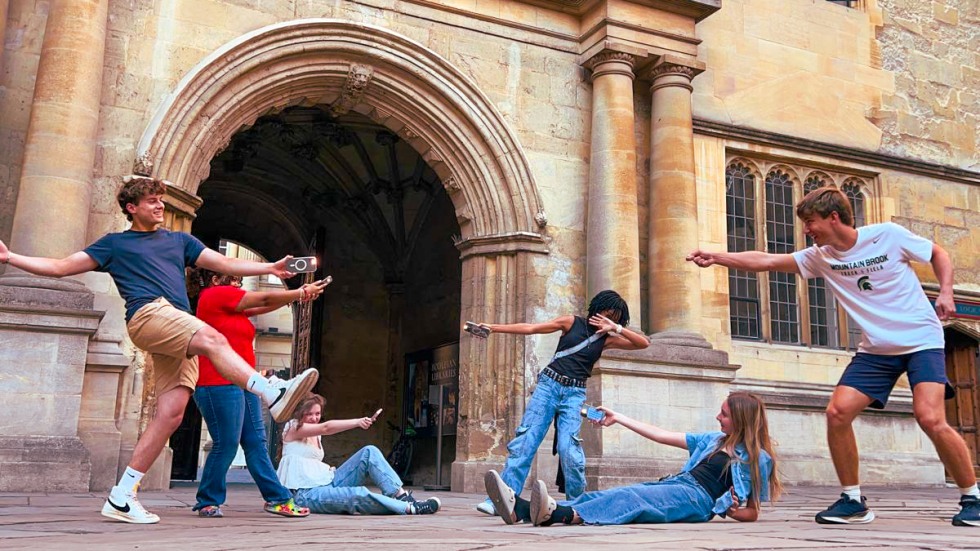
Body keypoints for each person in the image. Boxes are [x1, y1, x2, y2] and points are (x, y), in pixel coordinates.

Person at [0, 176, 319, 524]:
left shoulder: (179, 240)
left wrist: (270, 268)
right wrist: (11, 256)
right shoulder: (114, 245)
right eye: (152, 201)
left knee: (171, 414)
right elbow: (61, 267)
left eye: (161, 201)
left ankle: (122, 496)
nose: (159, 206)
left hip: (176, 324)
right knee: (212, 338)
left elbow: (224, 264)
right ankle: (272, 392)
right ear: (132, 208)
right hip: (149, 314)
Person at [686, 186, 979, 527]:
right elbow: (767, 260)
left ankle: (972, 496)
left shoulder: (887, 235)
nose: (807, 230)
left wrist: (945, 292)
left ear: (834, 217)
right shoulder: (819, 256)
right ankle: (853, 501)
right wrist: (718, 257)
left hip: (921, 340)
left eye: (810, 222)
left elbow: (938, 253)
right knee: (837, 413)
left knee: (929, 416)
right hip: (876, 349)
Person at [468, 290, 650, 516]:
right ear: (597, 307)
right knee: (526, 441)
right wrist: (494, 328)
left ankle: (579, 504)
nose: (606, 318)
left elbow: (643, 344)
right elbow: (532, 328)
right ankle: (502, 500)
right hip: (549, 386)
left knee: (569, 448)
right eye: (605, 312)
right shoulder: (571, 322)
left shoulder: (607, 339)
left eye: (613, 316)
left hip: (575, 393)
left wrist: (617, 329)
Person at [485, 391, 781, 526]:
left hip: (699, 501)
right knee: (607, 494)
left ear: (741, 420)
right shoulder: (713, 440)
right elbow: (661, 435)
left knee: (633, 498)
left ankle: (560, 515)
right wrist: (621, 418)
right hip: (679, 484)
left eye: (724, 414)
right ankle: (521, 511)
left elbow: (752, 512)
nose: (718, 417)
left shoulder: (758, 458)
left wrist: (729, 510)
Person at [189, 269, 331, 518]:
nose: (238, 284)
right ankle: (207, 501)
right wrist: (300, 292)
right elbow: (263, 299)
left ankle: (277, 498)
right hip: (217, 381)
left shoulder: (233, 306)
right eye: (234, 279)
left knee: (256, 443)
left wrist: (298, 297)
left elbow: (262, 306)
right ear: (214, 280)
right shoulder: (213, 296)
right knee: (227, 443)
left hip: (245, 382)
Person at [277, 393, 442, 516]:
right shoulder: (292, 428)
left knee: (369, 452)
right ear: (299, 414)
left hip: (325, 482)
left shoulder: (316, 435)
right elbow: (327, 427)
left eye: (317, 414)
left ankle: (401, 496)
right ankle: (410, 509)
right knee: (358, 494)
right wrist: (357, 422)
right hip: (304, 495)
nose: (314, 418)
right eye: (309, 414)